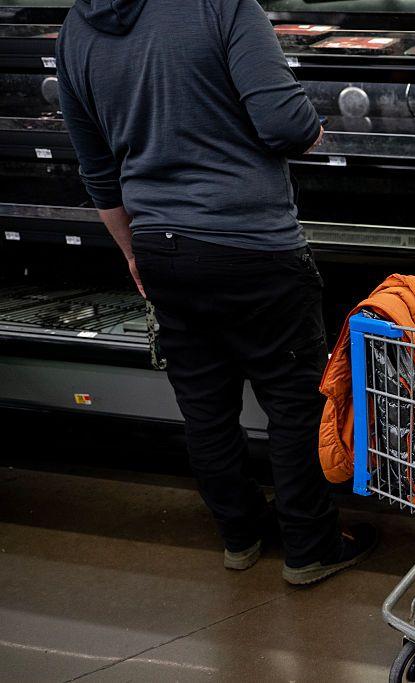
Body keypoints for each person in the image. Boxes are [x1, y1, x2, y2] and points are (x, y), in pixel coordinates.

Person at [56, 0, 375, 585]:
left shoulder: (76, 29)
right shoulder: (221, 4)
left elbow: (97, 169)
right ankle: (310, 546)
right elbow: (285, 124)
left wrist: (133, 251)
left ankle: (240, 536)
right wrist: (313, 128)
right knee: (292, 400)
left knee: (205, 408)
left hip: (160, 246)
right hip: (253, 244)